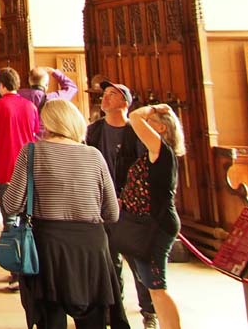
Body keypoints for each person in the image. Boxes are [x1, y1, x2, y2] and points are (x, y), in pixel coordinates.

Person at [2, 100, 121, 329]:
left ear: (47, 122)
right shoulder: (94, 155)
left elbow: (11, 205)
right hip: (90, 249)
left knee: (51, 319)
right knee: (93, 322)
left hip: (49, 247)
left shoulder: (32, 152)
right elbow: (112, 213)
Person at [87, 80, 156, 329]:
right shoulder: (94, 130)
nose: (104, 98)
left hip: (130, 208)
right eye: (104, 94)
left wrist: (126, 196)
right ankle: (114, 310)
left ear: (125, 102)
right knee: (109, 261)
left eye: (112, 94)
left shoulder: (135, 132)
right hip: (101, 204)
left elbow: (143, 170)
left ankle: (149, 311)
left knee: (138, 262)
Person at [123, 102, 187, 329]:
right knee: (153, 287)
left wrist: (154, 108)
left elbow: (134, 117)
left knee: (158, 288)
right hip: (147, 224)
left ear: (161, 129)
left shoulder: (162, 151)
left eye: (150, 123)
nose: (144, 127)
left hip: (157, 225)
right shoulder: (157, 154)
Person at [0, 67, 40, 291]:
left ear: (1, 85)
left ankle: (16, 271)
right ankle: (30, 267)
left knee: (9, 220)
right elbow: (34, 136)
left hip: (5, 168)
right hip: (28, 169)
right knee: (28, 219)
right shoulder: (30, 106)